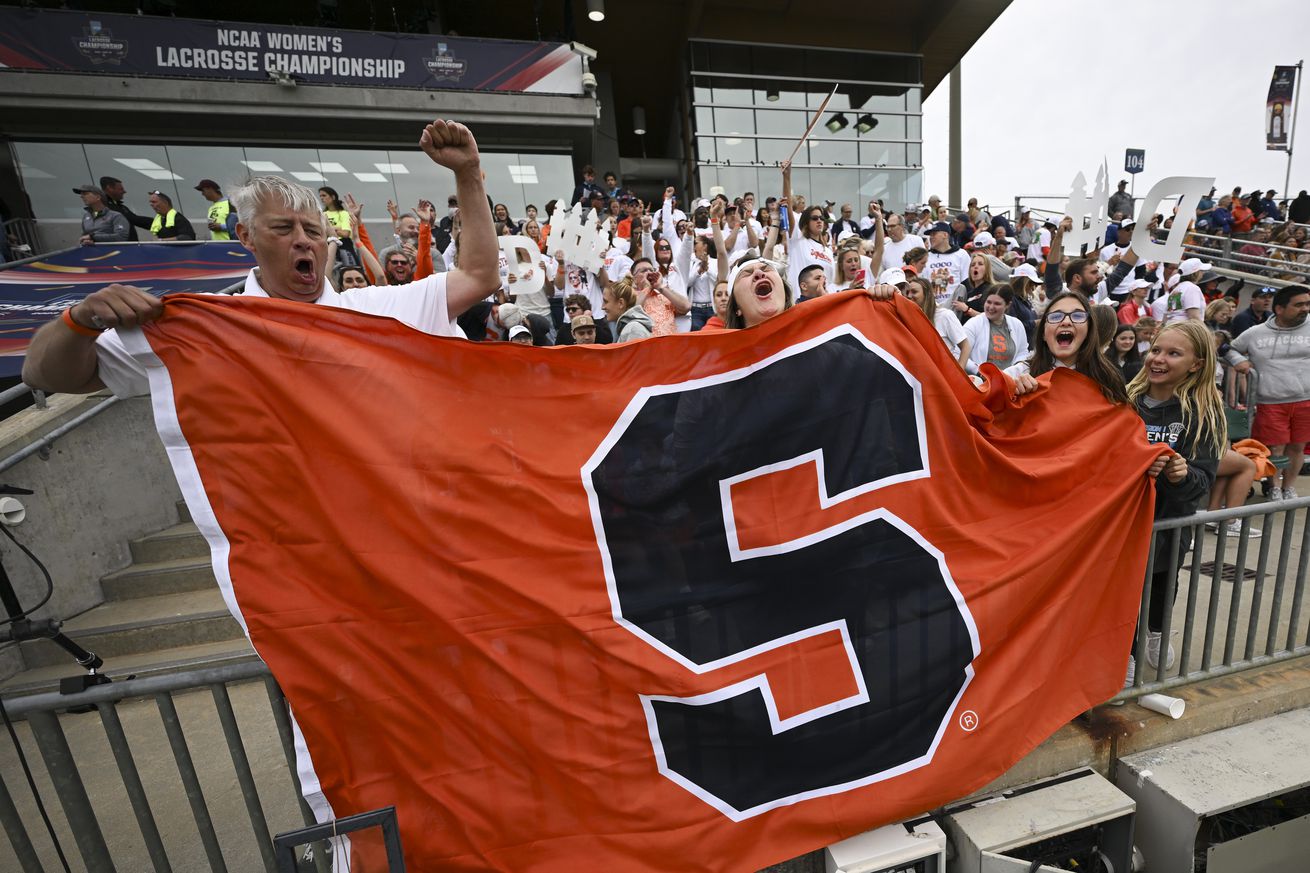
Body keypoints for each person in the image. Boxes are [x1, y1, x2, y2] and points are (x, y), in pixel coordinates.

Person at [22, 119, 499, 398]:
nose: (303, 241)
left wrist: (470, 174)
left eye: (312, 230)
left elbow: (478, 274)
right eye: (283, 228)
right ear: (246, 236)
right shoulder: (203, 331)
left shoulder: (380, 310)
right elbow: (45, 375)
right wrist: (79, 321)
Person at [1127, 320, 1227, 675]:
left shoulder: (1204, 414)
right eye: (1156, 350)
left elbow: (1204, 480)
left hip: (1168, 525)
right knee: (1121, 593)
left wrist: (1180, 473)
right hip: (1123, 524)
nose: (1159, 359)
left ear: (1196, 364)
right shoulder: (1126, 400)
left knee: (1160, 585)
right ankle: (1126, 652)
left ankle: (1154, 631)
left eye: (1173, 353)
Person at [1225, 285, 1310, 500]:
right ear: (1279, 309)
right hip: (1270, 401)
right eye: (1299, 305)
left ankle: (1288, 487)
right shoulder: (1256, 333)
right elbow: (1229, 349)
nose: (1305, 309)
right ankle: (1273, 487)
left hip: (1305, 399)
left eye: (1307, 304)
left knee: (1298, 446)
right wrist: (1240, 361)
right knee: (1275, 447)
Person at [1013, 291, 1129, 405]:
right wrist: (1011, 390)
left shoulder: (1108, 378)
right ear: (1043, 333)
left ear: (1089, 331)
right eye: (1056, 316)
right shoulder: (1020, 373)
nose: (1066, 322)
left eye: (1078, 316)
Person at [904, 274, 970, 367]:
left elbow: (965, 346)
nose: (909, 296)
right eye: (907, 293)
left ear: (927, 294)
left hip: (947, 374)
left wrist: (960, 372)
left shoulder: (945, 315)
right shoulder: (908, 319)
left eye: (914, 292)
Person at [963, 286, 1029, 371]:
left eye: (997, 304)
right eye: (988, 302)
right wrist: (978, 371)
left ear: (1008, 305)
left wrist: (1015, 370)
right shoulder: (973, 324)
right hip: (981, 381)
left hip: (1009, 380)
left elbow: (1022, 352)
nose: (991, 307)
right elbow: (959, 353)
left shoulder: (1017, 324)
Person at [601, 277, 654, 342]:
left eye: (606, 301)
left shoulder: (634, 329)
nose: (602, 307)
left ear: (621, 303)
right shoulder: (630, 328)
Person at [99, 176, 147, 241]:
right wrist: (161, 224)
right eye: (121, 189)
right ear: (109, 188)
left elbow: (135, 219)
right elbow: (135, 219)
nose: (124, 191)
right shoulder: (105, 207)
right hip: (117, 248)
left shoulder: (120, 207)